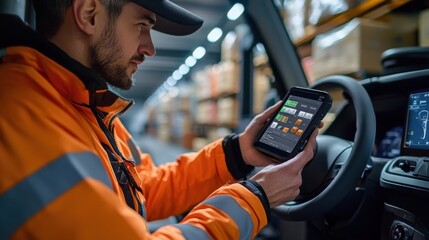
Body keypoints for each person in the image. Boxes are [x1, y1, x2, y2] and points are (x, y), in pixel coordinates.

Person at [0, 0, 320, 239]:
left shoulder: (83, 106)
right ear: (89, 14)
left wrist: (237, 154)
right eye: (142, 25)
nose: (150, 48)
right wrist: (255, 199)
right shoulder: (23, 115)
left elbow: (142, 190)